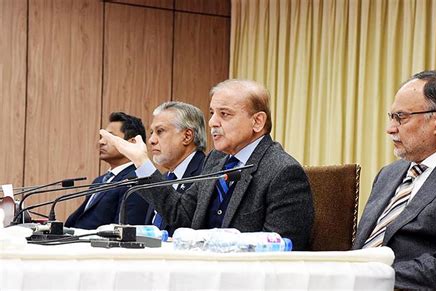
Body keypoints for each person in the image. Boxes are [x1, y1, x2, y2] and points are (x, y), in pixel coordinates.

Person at [101, 79, 314, 250]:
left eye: (225, 114)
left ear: (257, 122)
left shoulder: (283, 171)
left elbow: (282, 251)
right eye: (212, 113)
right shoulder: (216, 161)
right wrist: (142, 162)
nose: (212, 122)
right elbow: (180, 215)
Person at [353, 70, 436, 289]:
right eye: (391, 117)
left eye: (401, 117)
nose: (390, 129)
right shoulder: (388, 175)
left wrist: (367, 277)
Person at [65, 112, 149, 229]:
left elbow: (125, 231)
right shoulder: (99, 181)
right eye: (101, 137)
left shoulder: (135, 180)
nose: (101, 142)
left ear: (131, 142)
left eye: (109, 137)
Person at [143, 102, 206, 234]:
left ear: (187, 136)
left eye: (160, 131)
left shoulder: (205, 173)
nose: (151, 140)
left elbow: (184, 223)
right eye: (151, 133)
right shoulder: (164, 178)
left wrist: (141, 163)